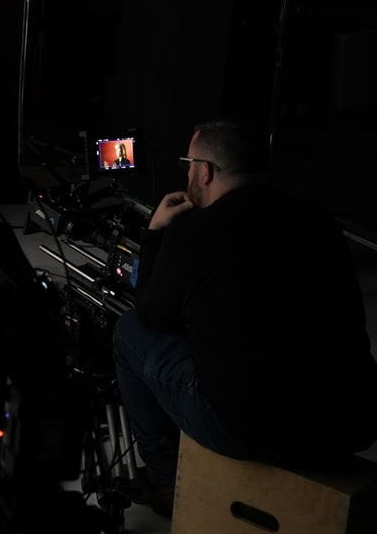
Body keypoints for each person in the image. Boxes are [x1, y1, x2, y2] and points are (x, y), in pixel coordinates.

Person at [112, 120, 377, 517]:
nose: (187, 174)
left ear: (205, 171)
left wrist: (155, 234)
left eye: (188, 164)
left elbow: (152, 312)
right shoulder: (317, 220)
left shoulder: (193, 231)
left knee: (127, 331)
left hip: (258, 432)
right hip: (349, 421)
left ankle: (167, 479)